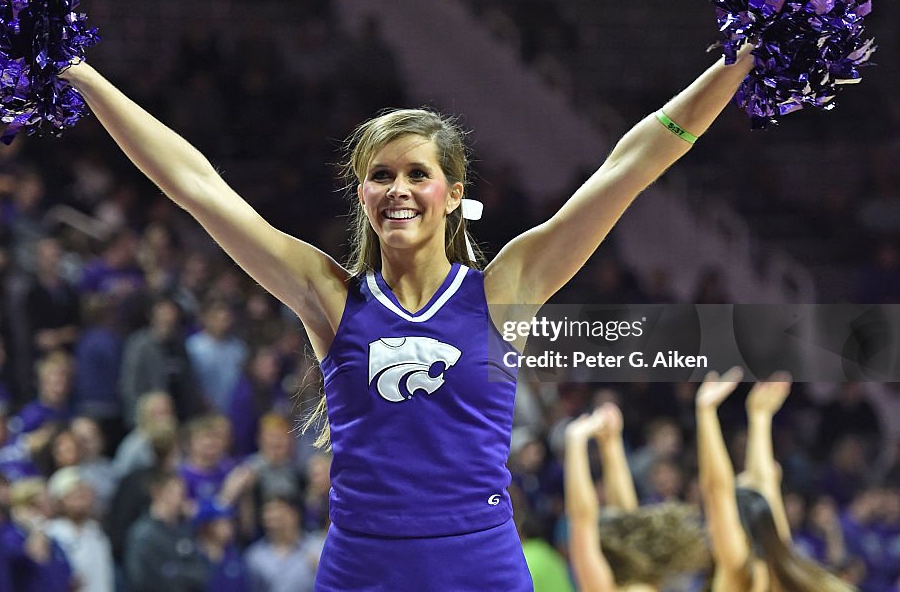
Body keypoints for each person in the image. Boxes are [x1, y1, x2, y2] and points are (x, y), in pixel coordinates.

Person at [60, 39, 756, 589]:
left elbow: (630, 167)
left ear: (453, 193)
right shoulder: (331, 299)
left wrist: (738, 61)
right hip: (364, 568)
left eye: (417, 174)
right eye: (381, 175)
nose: (399, 189)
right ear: (361, 195)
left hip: (479, 566)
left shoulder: (505, 288)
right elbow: (196, 187)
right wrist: (83, 75)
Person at [695, 369, 855, 591]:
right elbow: (766, 486)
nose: (710, 524)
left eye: (715, 518)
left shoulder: (740, 569)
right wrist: (760, 417)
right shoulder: (778, 561)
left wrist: (706, 413)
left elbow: (717, 490)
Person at [564, 403, 709, 591]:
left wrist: (576, 440)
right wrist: (611, 443)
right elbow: (627, 518)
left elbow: (582, 520)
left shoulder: (607, 587)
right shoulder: (646, 584)